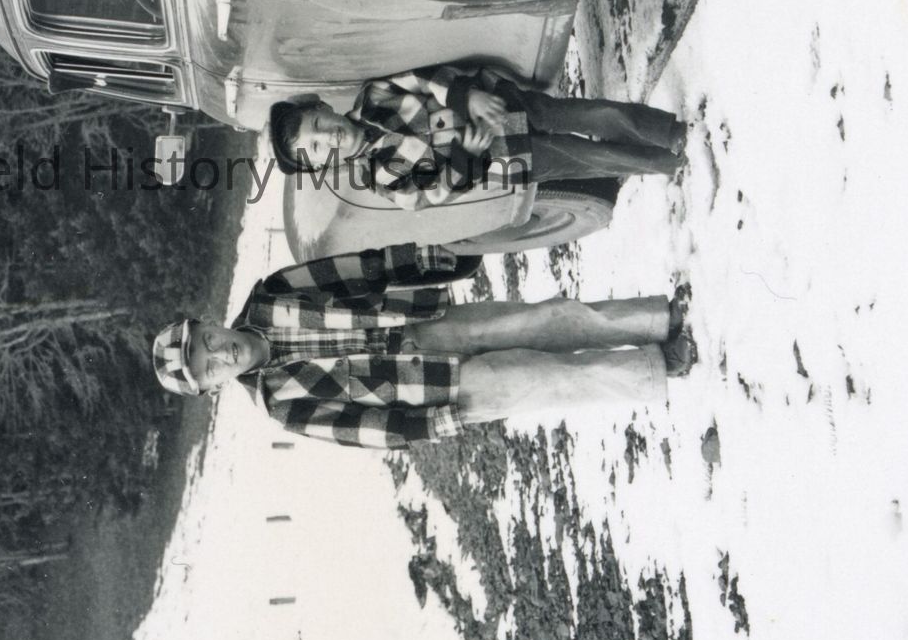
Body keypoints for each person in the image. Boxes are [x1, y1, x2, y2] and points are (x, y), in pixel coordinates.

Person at [150, 242, 691, 448]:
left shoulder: (270, 295)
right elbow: (365, 429)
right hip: (438, 390)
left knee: (542, 319)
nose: (220, 354)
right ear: (214, 388)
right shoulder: (280, 404)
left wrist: (417, 259)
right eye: (208, 368)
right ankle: (656, 368)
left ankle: (653, 319)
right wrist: (433, 425)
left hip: (426, 324)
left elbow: (352, 270)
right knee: (548, 379)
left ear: (208, 322)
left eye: (207, 341)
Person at [268, 62, 686, 216]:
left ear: (322, 107)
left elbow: (424, 79)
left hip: (502, 107)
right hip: (503, 158)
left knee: (596, 114)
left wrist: (467, 96)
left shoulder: (374, 95)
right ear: (322, 165)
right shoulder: (379, 178)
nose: (328, 137)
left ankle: (670, 133)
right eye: (317, 148)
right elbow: (430, 196)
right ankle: (669, 163)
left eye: (317, 124)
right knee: (592, 158)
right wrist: (463, 159)